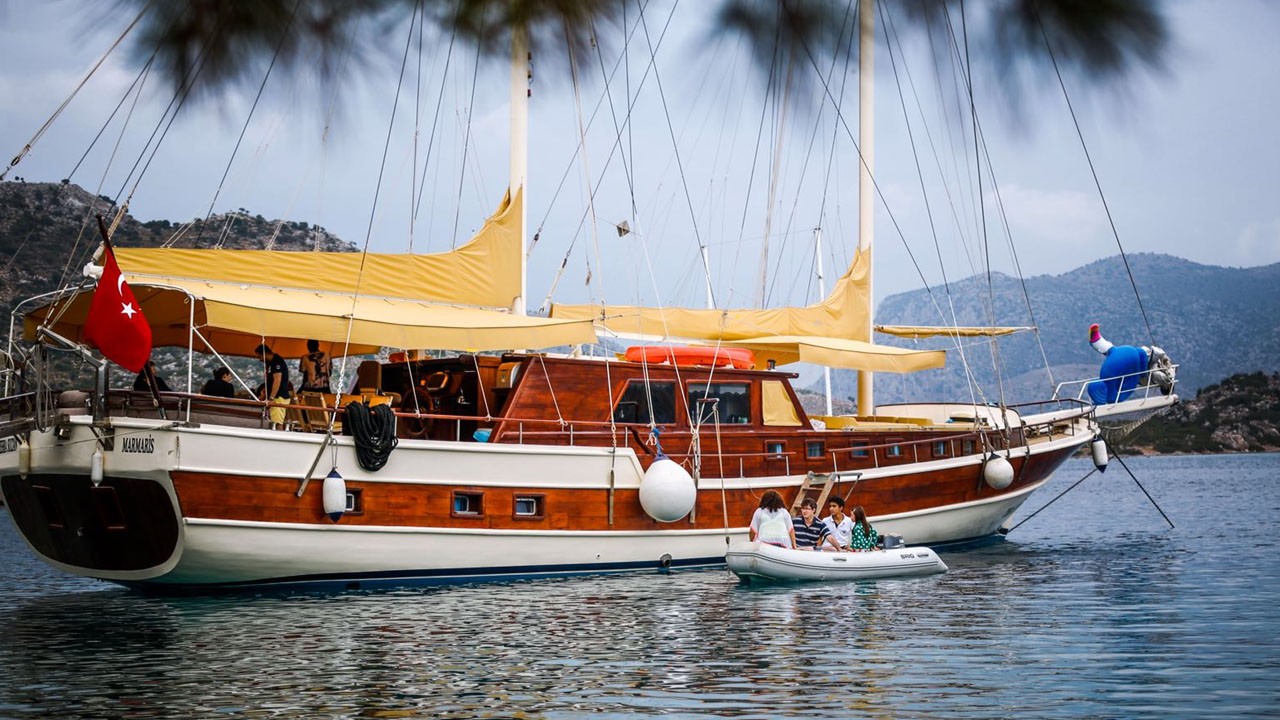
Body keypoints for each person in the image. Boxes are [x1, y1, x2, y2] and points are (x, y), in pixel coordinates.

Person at [255, 343, 293, 428]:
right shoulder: (270, 363)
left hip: (279, 397)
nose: (260, 360)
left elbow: (277, 380)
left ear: (264, 354)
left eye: (260, 357)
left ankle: (280, 438)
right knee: (272, 422)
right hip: (273, 396)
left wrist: (271, 398)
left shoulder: (277, 362)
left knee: (277, 423)